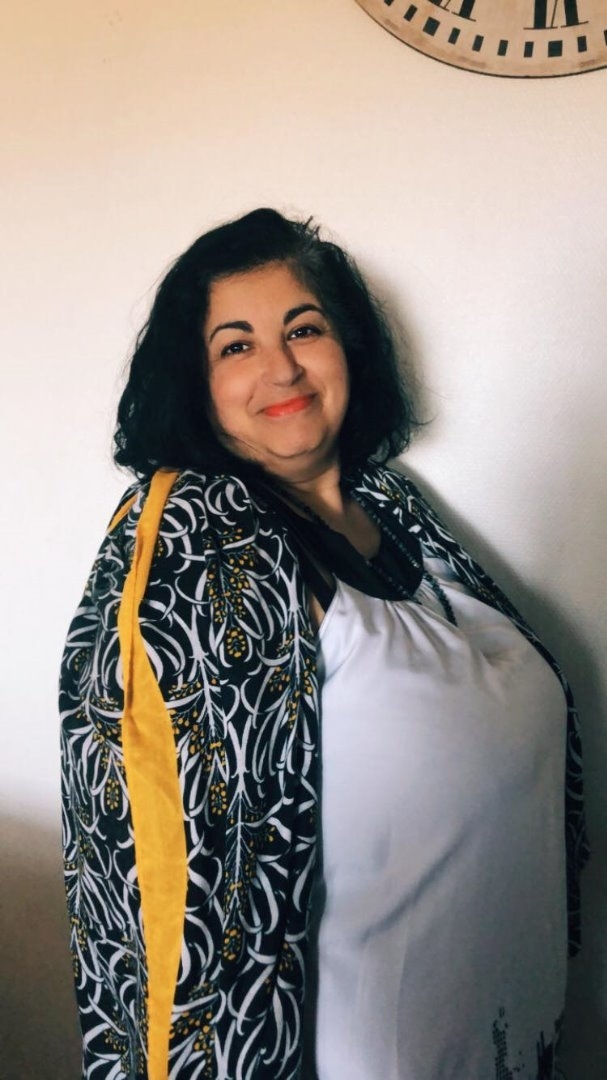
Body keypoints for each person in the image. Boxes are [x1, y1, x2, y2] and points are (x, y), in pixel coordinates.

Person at [60, 208, 587, 1080]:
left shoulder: (396, 509)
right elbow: (161, 864)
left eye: (303, 329)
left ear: (349, 348)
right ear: (194, 381)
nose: (281, 367)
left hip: (513, 1032)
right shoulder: (203, 541)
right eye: (236, 345)